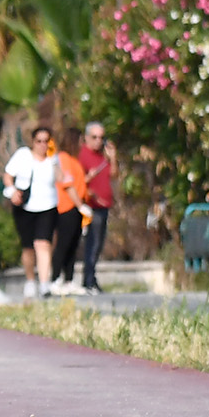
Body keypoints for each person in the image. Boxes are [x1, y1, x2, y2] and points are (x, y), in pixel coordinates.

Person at [3, 127, 62, 296]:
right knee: (28, 247)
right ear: (33, 142)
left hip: (48, 206)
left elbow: (60, 179)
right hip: (25, 206)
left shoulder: (53, 159)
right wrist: (13, 190)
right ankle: (30, 280)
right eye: (39, 141)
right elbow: (7, 175)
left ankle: (44, 282)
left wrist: (54, 159)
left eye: (46, 141)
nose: (43, 145)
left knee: (43, 243)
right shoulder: (23, 155)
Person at [76, 121, 115, 291]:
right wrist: (89, 182)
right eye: (94, 137)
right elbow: (77, 181)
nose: (98, 141)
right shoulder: (82, 155)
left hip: (104, 205)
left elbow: (114, 174)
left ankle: (91, 277)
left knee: (98, 242)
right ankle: (88, 279)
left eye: (101, 137)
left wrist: (113, 157)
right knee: (92, 242)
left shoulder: (103, 156)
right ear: (86, 137)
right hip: (89, 205)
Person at [48, 138, 89, 295]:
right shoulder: (63, 158)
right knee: (63, 245)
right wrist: (80, 205)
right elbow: (67, 184)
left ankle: (69, 280)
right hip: (67, 207)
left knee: (73, 246)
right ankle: (55, 278)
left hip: (77, 208)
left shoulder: (74, 160)